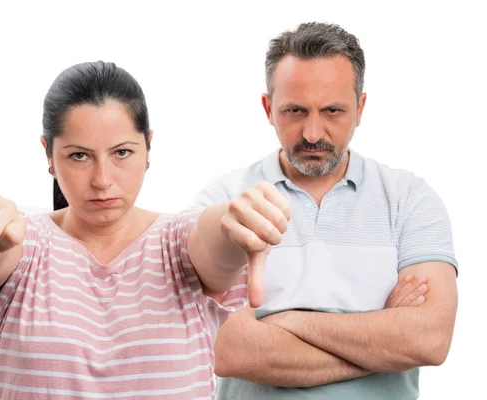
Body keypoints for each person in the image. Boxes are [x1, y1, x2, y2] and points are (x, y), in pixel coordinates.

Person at [0, 61, 292, 399]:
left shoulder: (177, 244)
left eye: (122, 153)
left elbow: (213, 238)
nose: (102, 180)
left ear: (148, 147)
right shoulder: (24, 244)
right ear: (49, 154)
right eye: (79, 156)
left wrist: (237, 223)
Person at [193, 22, 458, 399]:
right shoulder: (224, 200)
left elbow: (429, 339)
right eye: (295, 111)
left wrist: (285, 321)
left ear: (360, 108)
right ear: (268, 108)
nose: (313, 133)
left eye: (332, 110)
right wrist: (383, 341)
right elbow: (227, 350)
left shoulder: (409, 199)